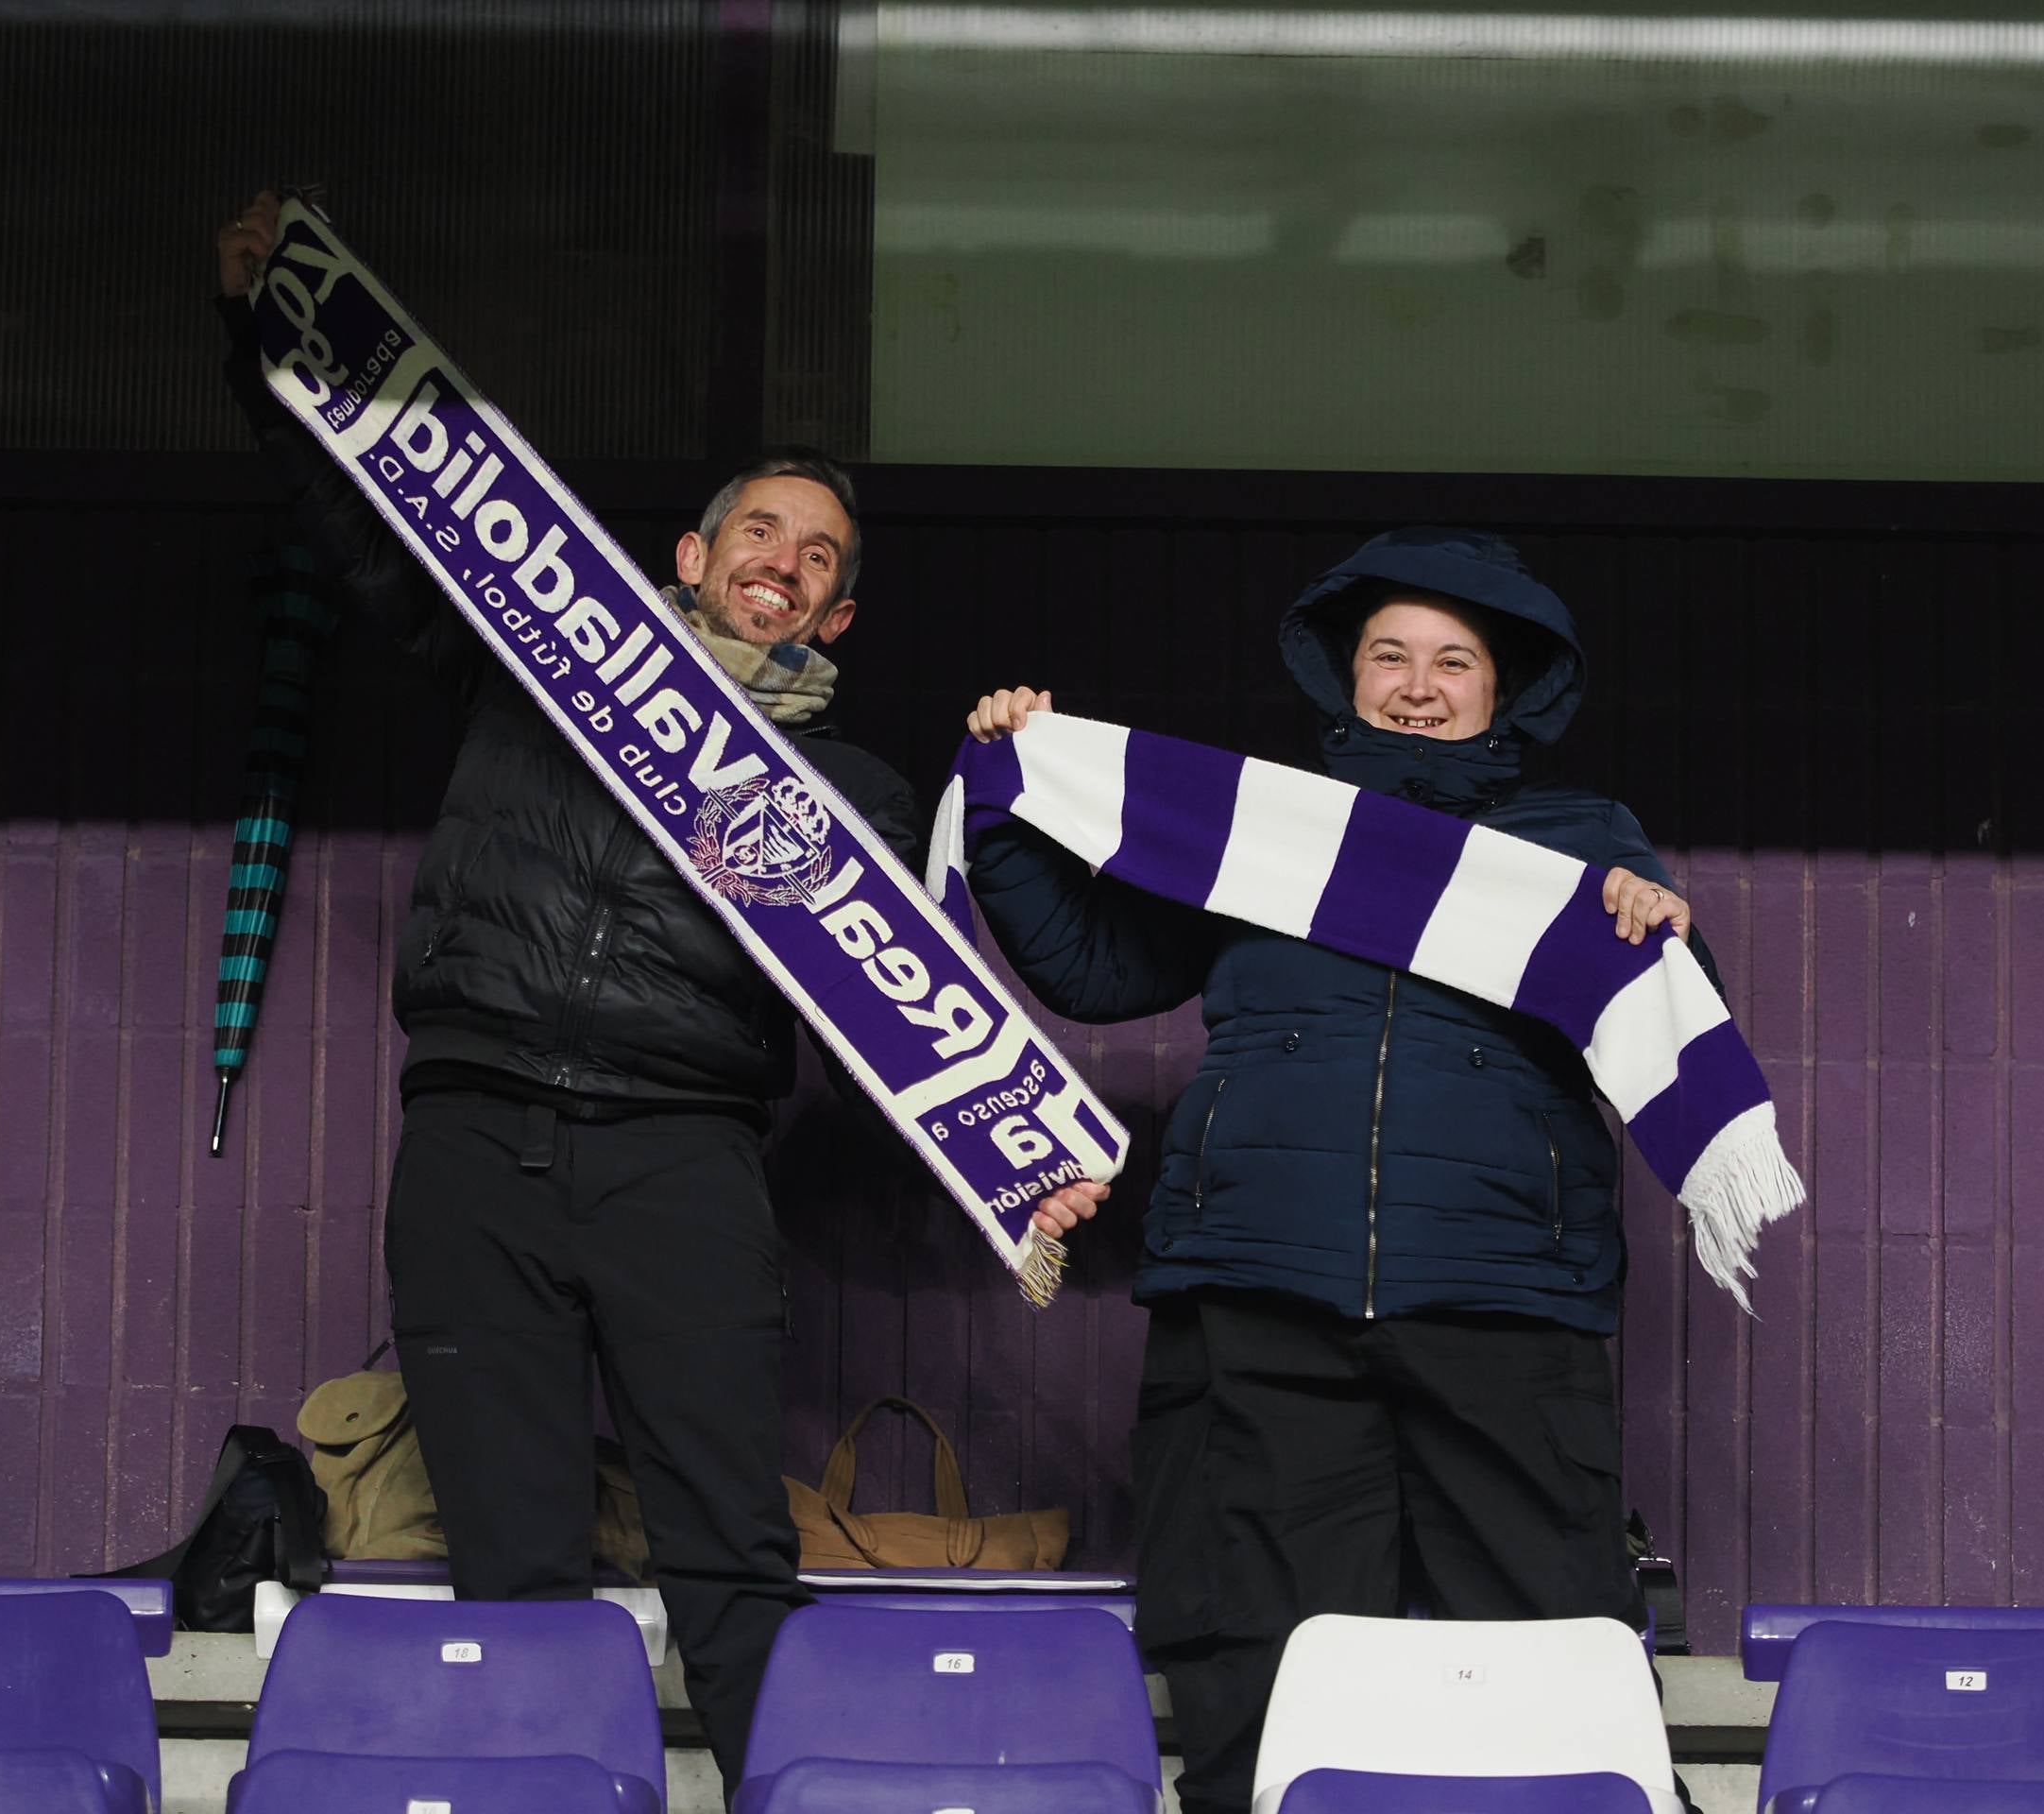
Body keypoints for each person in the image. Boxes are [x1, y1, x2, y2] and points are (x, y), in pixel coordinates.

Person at [213, 192, 920, 1788]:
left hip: (684, 1160)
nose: (781, 566)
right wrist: (266, 330)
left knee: (732, 1552)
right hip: (476, 1150)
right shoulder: (542, 664)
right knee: (513, 1556)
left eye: (816, 559)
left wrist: (1035, 1168)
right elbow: (370, 527)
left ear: (837, 611)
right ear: (694, 551)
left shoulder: (856, 797)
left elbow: (914, 1018)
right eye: (759, 533)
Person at [960, 528, 1716, 1814]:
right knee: (1265, 1661)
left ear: (1505, 688)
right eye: (1389, 657)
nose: (1418, 686)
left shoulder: (1587, 839)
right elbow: (1092, 968)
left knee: (1550, 1656)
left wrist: (1658, 931)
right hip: (1260, 1295)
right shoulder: (1267, 827)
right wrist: (1006, 794)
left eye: (1452, 662)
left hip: (1502, 1303)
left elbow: (1669, 1030)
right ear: (1345, 675)